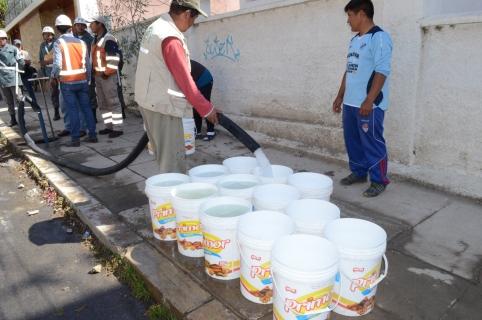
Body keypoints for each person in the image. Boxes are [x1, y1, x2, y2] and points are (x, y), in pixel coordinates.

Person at [135, 0, 219, 173]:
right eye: (194, 18)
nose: (192, 23)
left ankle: (166, 193)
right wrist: (207, 109)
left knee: (163, 156)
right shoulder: (170, 38)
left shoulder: (156, 27)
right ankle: (172, 197)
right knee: (173, 164)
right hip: (163, 107)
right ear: (187, 14)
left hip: (149, 102)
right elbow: (185, 81)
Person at [332, 0, 393, 198]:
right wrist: (340, 96)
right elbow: (349, 71)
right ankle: (359, 172)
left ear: (362, 14)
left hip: (369, 104)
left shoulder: (379, 38)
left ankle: (379, 180)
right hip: (350, 103)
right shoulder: (355, 40)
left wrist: (369, 100)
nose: (348, 21)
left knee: (372, 142)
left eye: (350, 15)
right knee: (353, 141)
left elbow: (381, 71)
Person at [51, 15, 97, 147]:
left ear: (57, 29)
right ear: (71, 27)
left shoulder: (59, 43)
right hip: (82, 81)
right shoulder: (81, 43)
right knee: (86, 108)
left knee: (72, 110)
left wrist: (53, 77)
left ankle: (75, 139)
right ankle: (92, 135)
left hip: (67, 83)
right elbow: (88, 65)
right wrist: (87, 80)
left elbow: (58, 65)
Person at [90, 16, 123, 138]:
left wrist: (105, 73)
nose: (90, 26)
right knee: (103, 103)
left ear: (100, 24)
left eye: (93, 23)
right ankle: (109, 126)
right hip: (99, 76)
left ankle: (118, 128)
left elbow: (114, 59)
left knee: (113, 102)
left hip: (107, 76)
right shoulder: (96, 39)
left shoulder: (108, 39)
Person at [73, 16, 98, 122]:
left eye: (81, 25)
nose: (79, 27)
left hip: (88, 70)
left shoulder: (90, 39)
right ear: (74, 26)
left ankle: (93, 116)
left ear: (84, 26)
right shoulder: (72, 38)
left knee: (91, 93)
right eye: (77, 25)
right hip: (75, 71)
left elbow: (93, 55)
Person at [0, 30, 25, 127]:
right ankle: (13, 119)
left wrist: (19, 71)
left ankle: (22, 119)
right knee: (8, 100)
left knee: (19, 99)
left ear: (6, 39)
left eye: (2, 39)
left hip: (14, 77)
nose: (1, 41)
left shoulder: (13, 49)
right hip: (2, 79)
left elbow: (21, 61)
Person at [39, 26, 61, 120]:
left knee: (62, 91)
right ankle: (56, 111)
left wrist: (50, 61)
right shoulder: (42, 45)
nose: (47, 36)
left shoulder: (58, 42)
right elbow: (41, 58)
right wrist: (44, 74)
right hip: (49, 72)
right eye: (45, 34)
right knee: (53, 93)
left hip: (59, 70)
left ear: (52, 34)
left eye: (49, 34)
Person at [190, 59, 215, 141]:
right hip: (197, 81)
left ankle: (211, 132)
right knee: (195, 106)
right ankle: (198, 132)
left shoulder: (180, 63)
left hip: (205, 80)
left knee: (205, 105)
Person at [14, 39, 38, 104]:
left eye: (19, 45)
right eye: (16, 45)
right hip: (17, 74)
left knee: (30, 89)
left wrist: (23, 61)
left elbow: (29, 62)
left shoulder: (25, 53)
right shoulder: (12, 54)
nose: (18, 47)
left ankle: (34, 104)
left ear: (21, 46)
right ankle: (21, 107)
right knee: (19, 91)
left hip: (25, 73)